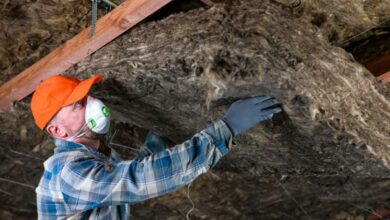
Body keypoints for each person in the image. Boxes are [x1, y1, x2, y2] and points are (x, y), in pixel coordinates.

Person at [31, 74, 282, 219]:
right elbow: (138, 179)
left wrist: (161, 130)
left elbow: (135, 171)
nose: (92, 104)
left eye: (85, 98)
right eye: (77, 105)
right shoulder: (68, 172)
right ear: (57, 131)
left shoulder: (96, 154)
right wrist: (226, 128)